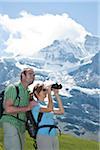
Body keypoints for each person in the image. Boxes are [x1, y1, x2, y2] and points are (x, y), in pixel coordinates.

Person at [1, 68, 37, 150]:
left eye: (34, 75)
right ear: (23, 76)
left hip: (22, 126)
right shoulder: (13, 88)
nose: (33, 76)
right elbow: (8, 109)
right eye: (30, 74)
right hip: (10, 121)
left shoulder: (28, 92)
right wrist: (28, 107)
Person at [31, 83, 64, 150]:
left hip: (53, 134)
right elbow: (49, 109)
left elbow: (61, 111)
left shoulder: (46, 105)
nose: (45, 92)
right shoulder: (35, 105)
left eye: (45, 90)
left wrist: (56, 94)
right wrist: (49, 93)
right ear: (36, 93)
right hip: (43, 135)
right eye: (43, 90)